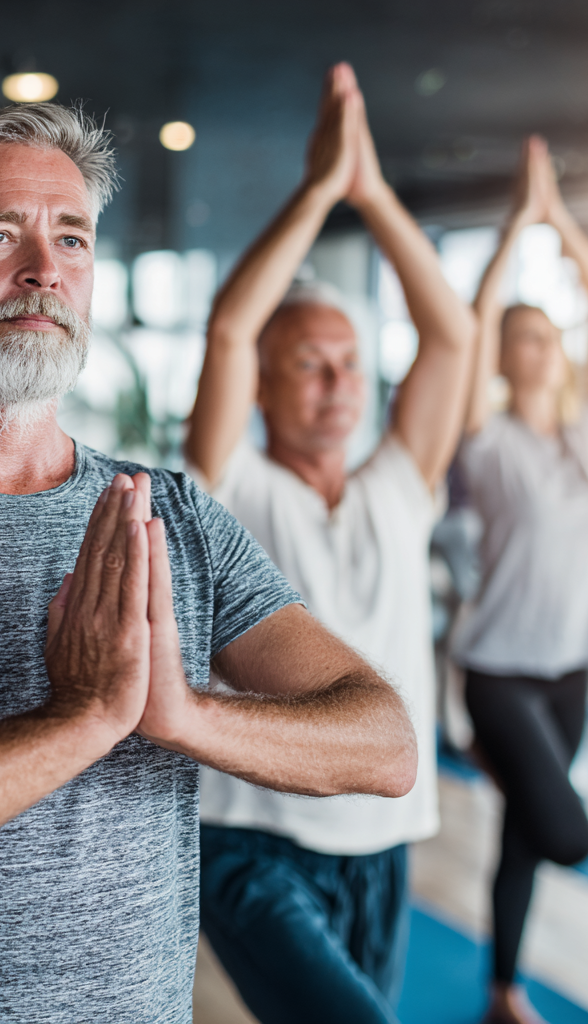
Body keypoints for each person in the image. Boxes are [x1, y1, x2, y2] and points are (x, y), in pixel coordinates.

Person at [0, 103, 418, 1024]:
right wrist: (82, 721)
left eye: (73, 239)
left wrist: (181, 715)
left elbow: (386, 743)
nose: (44, 270)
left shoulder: (172, 514)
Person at [187, 63, 476, 1023]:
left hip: (384, 835)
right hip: (250, 842)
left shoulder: (402, 485)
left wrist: (376, 193)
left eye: (349, 363)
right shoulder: (235, 486)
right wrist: (318, 190)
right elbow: (230, 330)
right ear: (265, 388)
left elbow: (452, 340)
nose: (336, 383)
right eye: (308, 364)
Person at [451, 136, 588, 1024]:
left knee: (521, 839)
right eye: (522, 339)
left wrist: (563, 222)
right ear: (508, 359)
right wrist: (520, 224)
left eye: (547, 337)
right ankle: (503, 987)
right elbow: (474, 324)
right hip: (502, 672)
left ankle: (503, 991)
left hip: (570, 675)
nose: (540, 348)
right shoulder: (489, 443)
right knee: (564, 832)